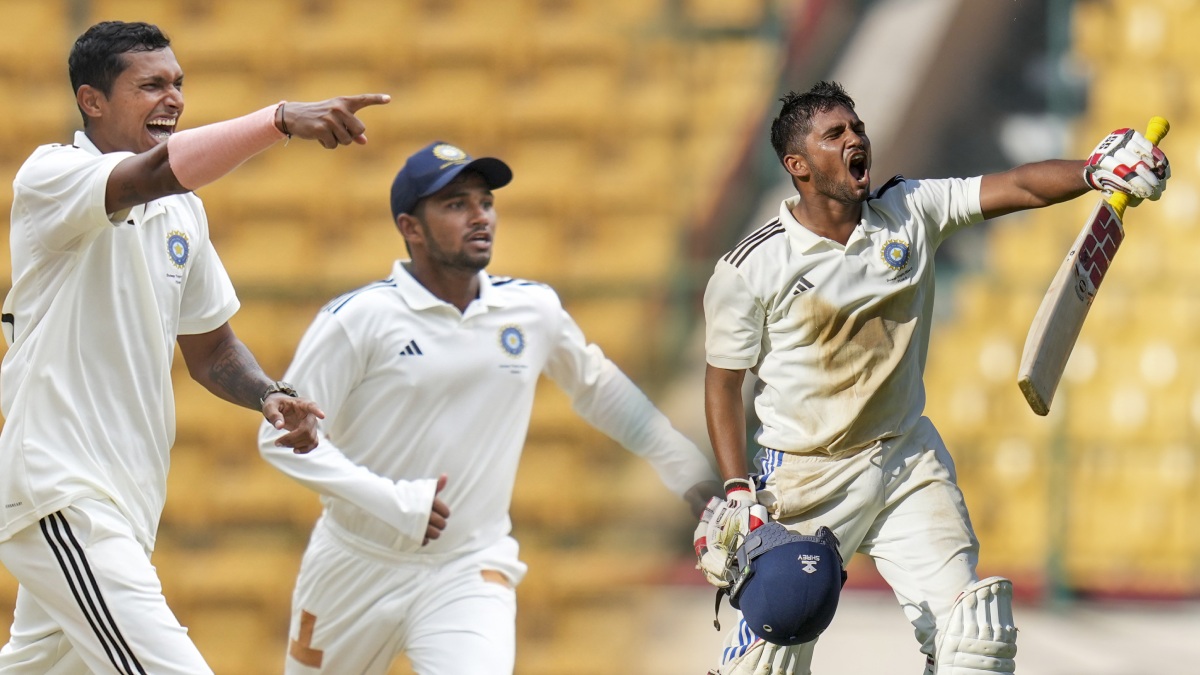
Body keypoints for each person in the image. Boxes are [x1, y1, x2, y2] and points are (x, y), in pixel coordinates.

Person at [697, 81, 1168, 674]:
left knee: (975, 643)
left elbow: (1018, 185)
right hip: (804, 476)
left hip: (904, 459)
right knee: (764, 665)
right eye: (835, 134)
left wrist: (1094, 171)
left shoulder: (911, 208)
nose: (855, 139)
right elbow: (723, 383)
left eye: (857, 127)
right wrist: (738, 489)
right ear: (799, 166)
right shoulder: (750, 267)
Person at [0, 20, 390, 673]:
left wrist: (268, 394)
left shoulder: (183, 211)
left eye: (178, 83)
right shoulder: (53, 175)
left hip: (128, 500)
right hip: (61, 490)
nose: (174, 99)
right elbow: (151, 174)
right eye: (150, 85)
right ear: (92, 100)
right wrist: (279, 119)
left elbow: (211, 348)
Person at [257, 140, 722, 675]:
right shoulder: (357, 319)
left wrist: (685, 467)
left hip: (468, 567)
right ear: (411, 227)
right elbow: (279, 438)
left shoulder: (530, 308)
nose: (480, 217)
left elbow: (598, 389)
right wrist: (392, 501)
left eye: (486, 202)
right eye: (456, 204)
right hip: (353, 565)